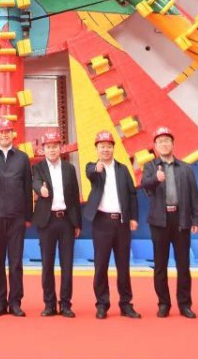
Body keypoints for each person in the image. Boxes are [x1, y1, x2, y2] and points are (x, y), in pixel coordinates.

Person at [140, 126, 198, 319]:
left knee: (183, 265)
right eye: (160, 142)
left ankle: (185, 304)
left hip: (181, 219)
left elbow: (194, 195)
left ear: (173, 144)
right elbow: (144, 185)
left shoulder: (185, 168)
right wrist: (156, 179)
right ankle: (163, 304)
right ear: (155, 146)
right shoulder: (150, 167)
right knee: (160, 265)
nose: (164, 144)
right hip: (159, 221)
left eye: (167, 141)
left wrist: (196, 219)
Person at [83, 130, 140, 319]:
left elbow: (132, 194)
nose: (105, 150)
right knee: (101, 265)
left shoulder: (123, 169)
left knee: (123, 266)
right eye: (102, 147)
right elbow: (90, 173)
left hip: (122, 223)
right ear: (97, 149)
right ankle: (102, 304)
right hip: (101, 222)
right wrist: (96, 169)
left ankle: (126, 304)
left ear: (113, 148)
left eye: (108, 146)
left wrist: (133, 217)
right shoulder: (93, 167)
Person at [0, 118, 33, 316]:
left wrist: (28, 216)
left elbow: (27, 187)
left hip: (17, 217)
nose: (4, 135)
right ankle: (0, 302)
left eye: (7, 131)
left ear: (12, 134)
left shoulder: (22, 157)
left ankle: (15, 302)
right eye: (0, 132)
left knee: (16, 261)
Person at [32, 130, 81, 318]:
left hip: (66, 220)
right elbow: (35, 182)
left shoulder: (69, 169)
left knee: (67, 265)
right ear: (43, 149)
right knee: (47, 264)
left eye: (55, 146)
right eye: (48, 147)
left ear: (60, 148)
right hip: (47, 221)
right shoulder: (38, 168)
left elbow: (74, 197)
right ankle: (49, 304)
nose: (52, 150)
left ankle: (66, 304)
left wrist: (77, 224)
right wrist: (40, 189)